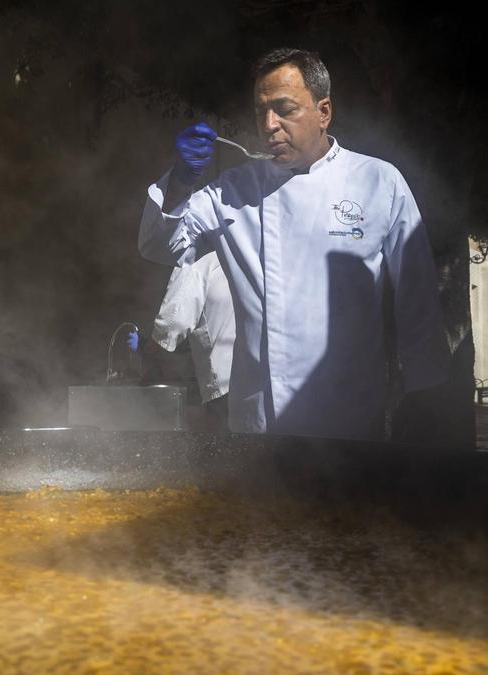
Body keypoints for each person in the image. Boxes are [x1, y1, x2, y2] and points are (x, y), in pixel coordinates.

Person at [137, 48, 449, 440]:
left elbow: (416, 297)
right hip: (259, 422)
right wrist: (181, 181)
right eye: (261, 111)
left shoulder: (378, 181)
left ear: (324, 112)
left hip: (350, 417)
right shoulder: (233, 189)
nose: (270, 124)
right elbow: (158, 245)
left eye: (285, 109)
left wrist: (424, 391)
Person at [148, 251, 236, 432]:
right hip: (267, 383)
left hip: (226, 390)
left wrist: (147, 350)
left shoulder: (199, 258)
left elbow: (173, 323)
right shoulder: (250, 251)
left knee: (228, 453)